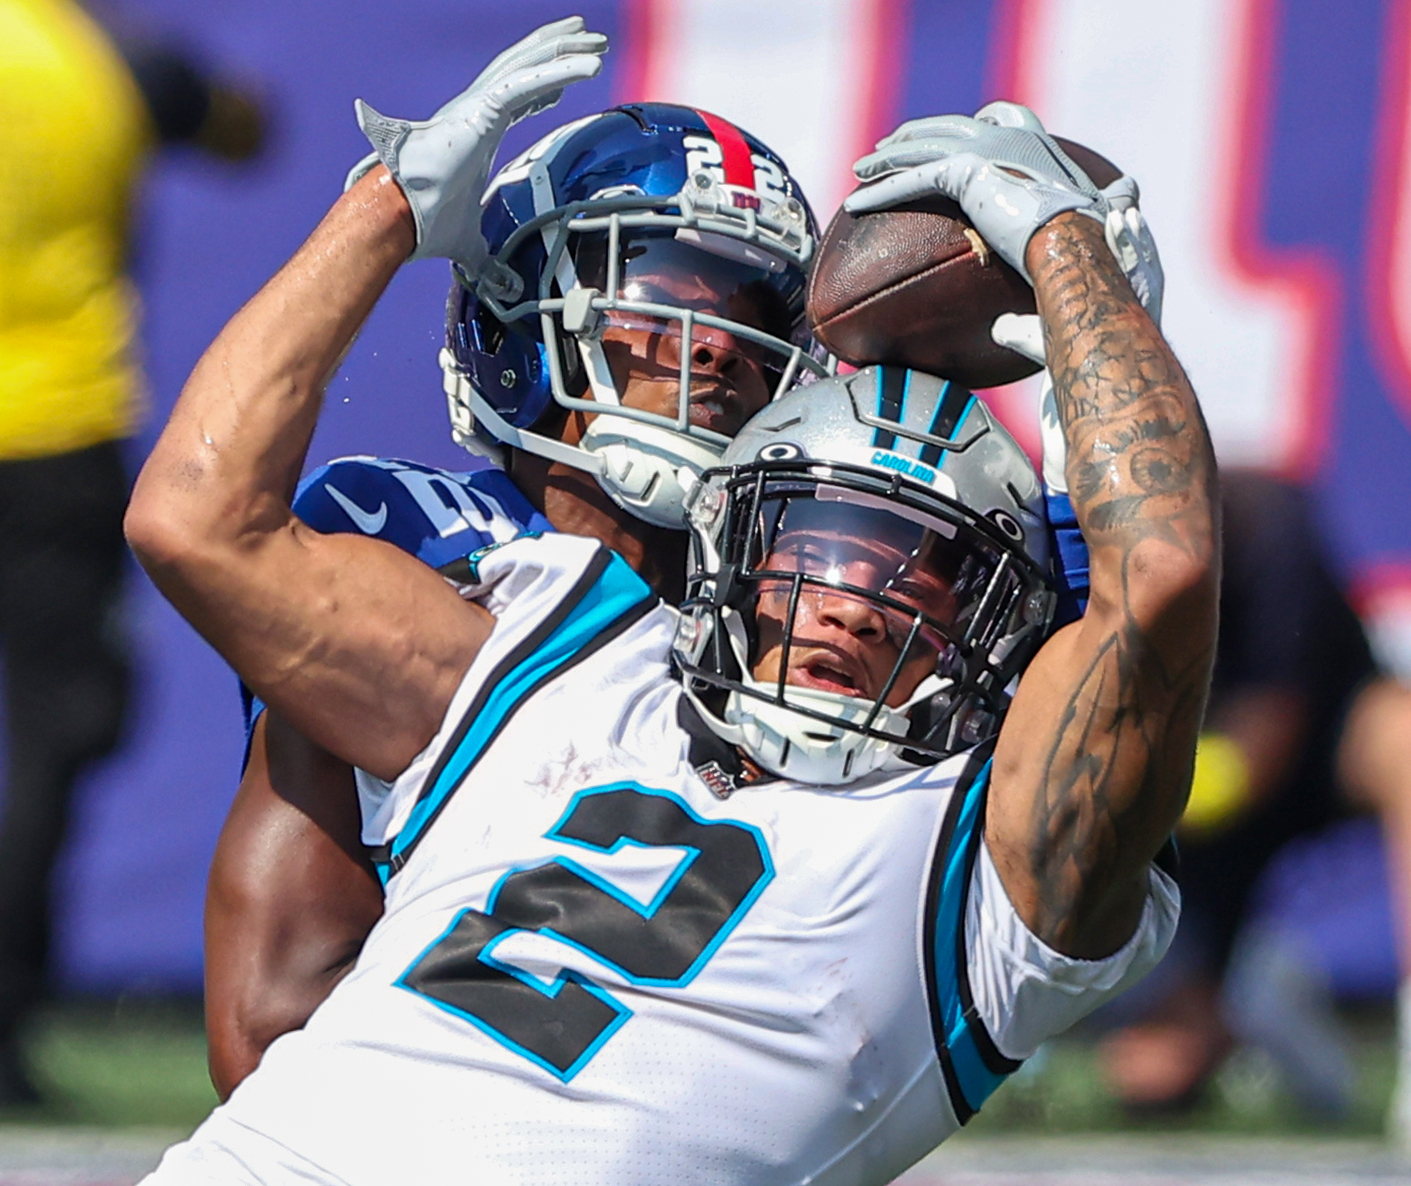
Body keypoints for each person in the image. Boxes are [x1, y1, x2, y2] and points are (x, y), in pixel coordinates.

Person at [123, 18, 1218, 1172]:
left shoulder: (979, 850)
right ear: (751, 544)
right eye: (819, 550)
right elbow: (196, 519)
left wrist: (1077, 275)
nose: (849, 603)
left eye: (914, 577)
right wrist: (383, 212)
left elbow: (1150, 588)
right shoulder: (565, 655)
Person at [200, 39, 826, 1094]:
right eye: (658, 292)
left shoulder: (807, 594)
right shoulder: (423, 551)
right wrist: (383, 218)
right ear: (519, 324)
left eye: (747, 316)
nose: (713, 343)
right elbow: (268, 1036)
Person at [0, 0, 264, 1105]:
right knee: (56, 741)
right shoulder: (98, 63)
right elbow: (246, 131)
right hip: (56, 445)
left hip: (60, 448)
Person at [1095, 469, 1411, 1127]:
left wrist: (1140, 789)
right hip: (1183, 805)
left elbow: (1263, 745)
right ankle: (1249, 999)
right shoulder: (1094, 553)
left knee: (1400, 736)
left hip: (1282, 770)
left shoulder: (1268, 521)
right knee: (1148, 1072)